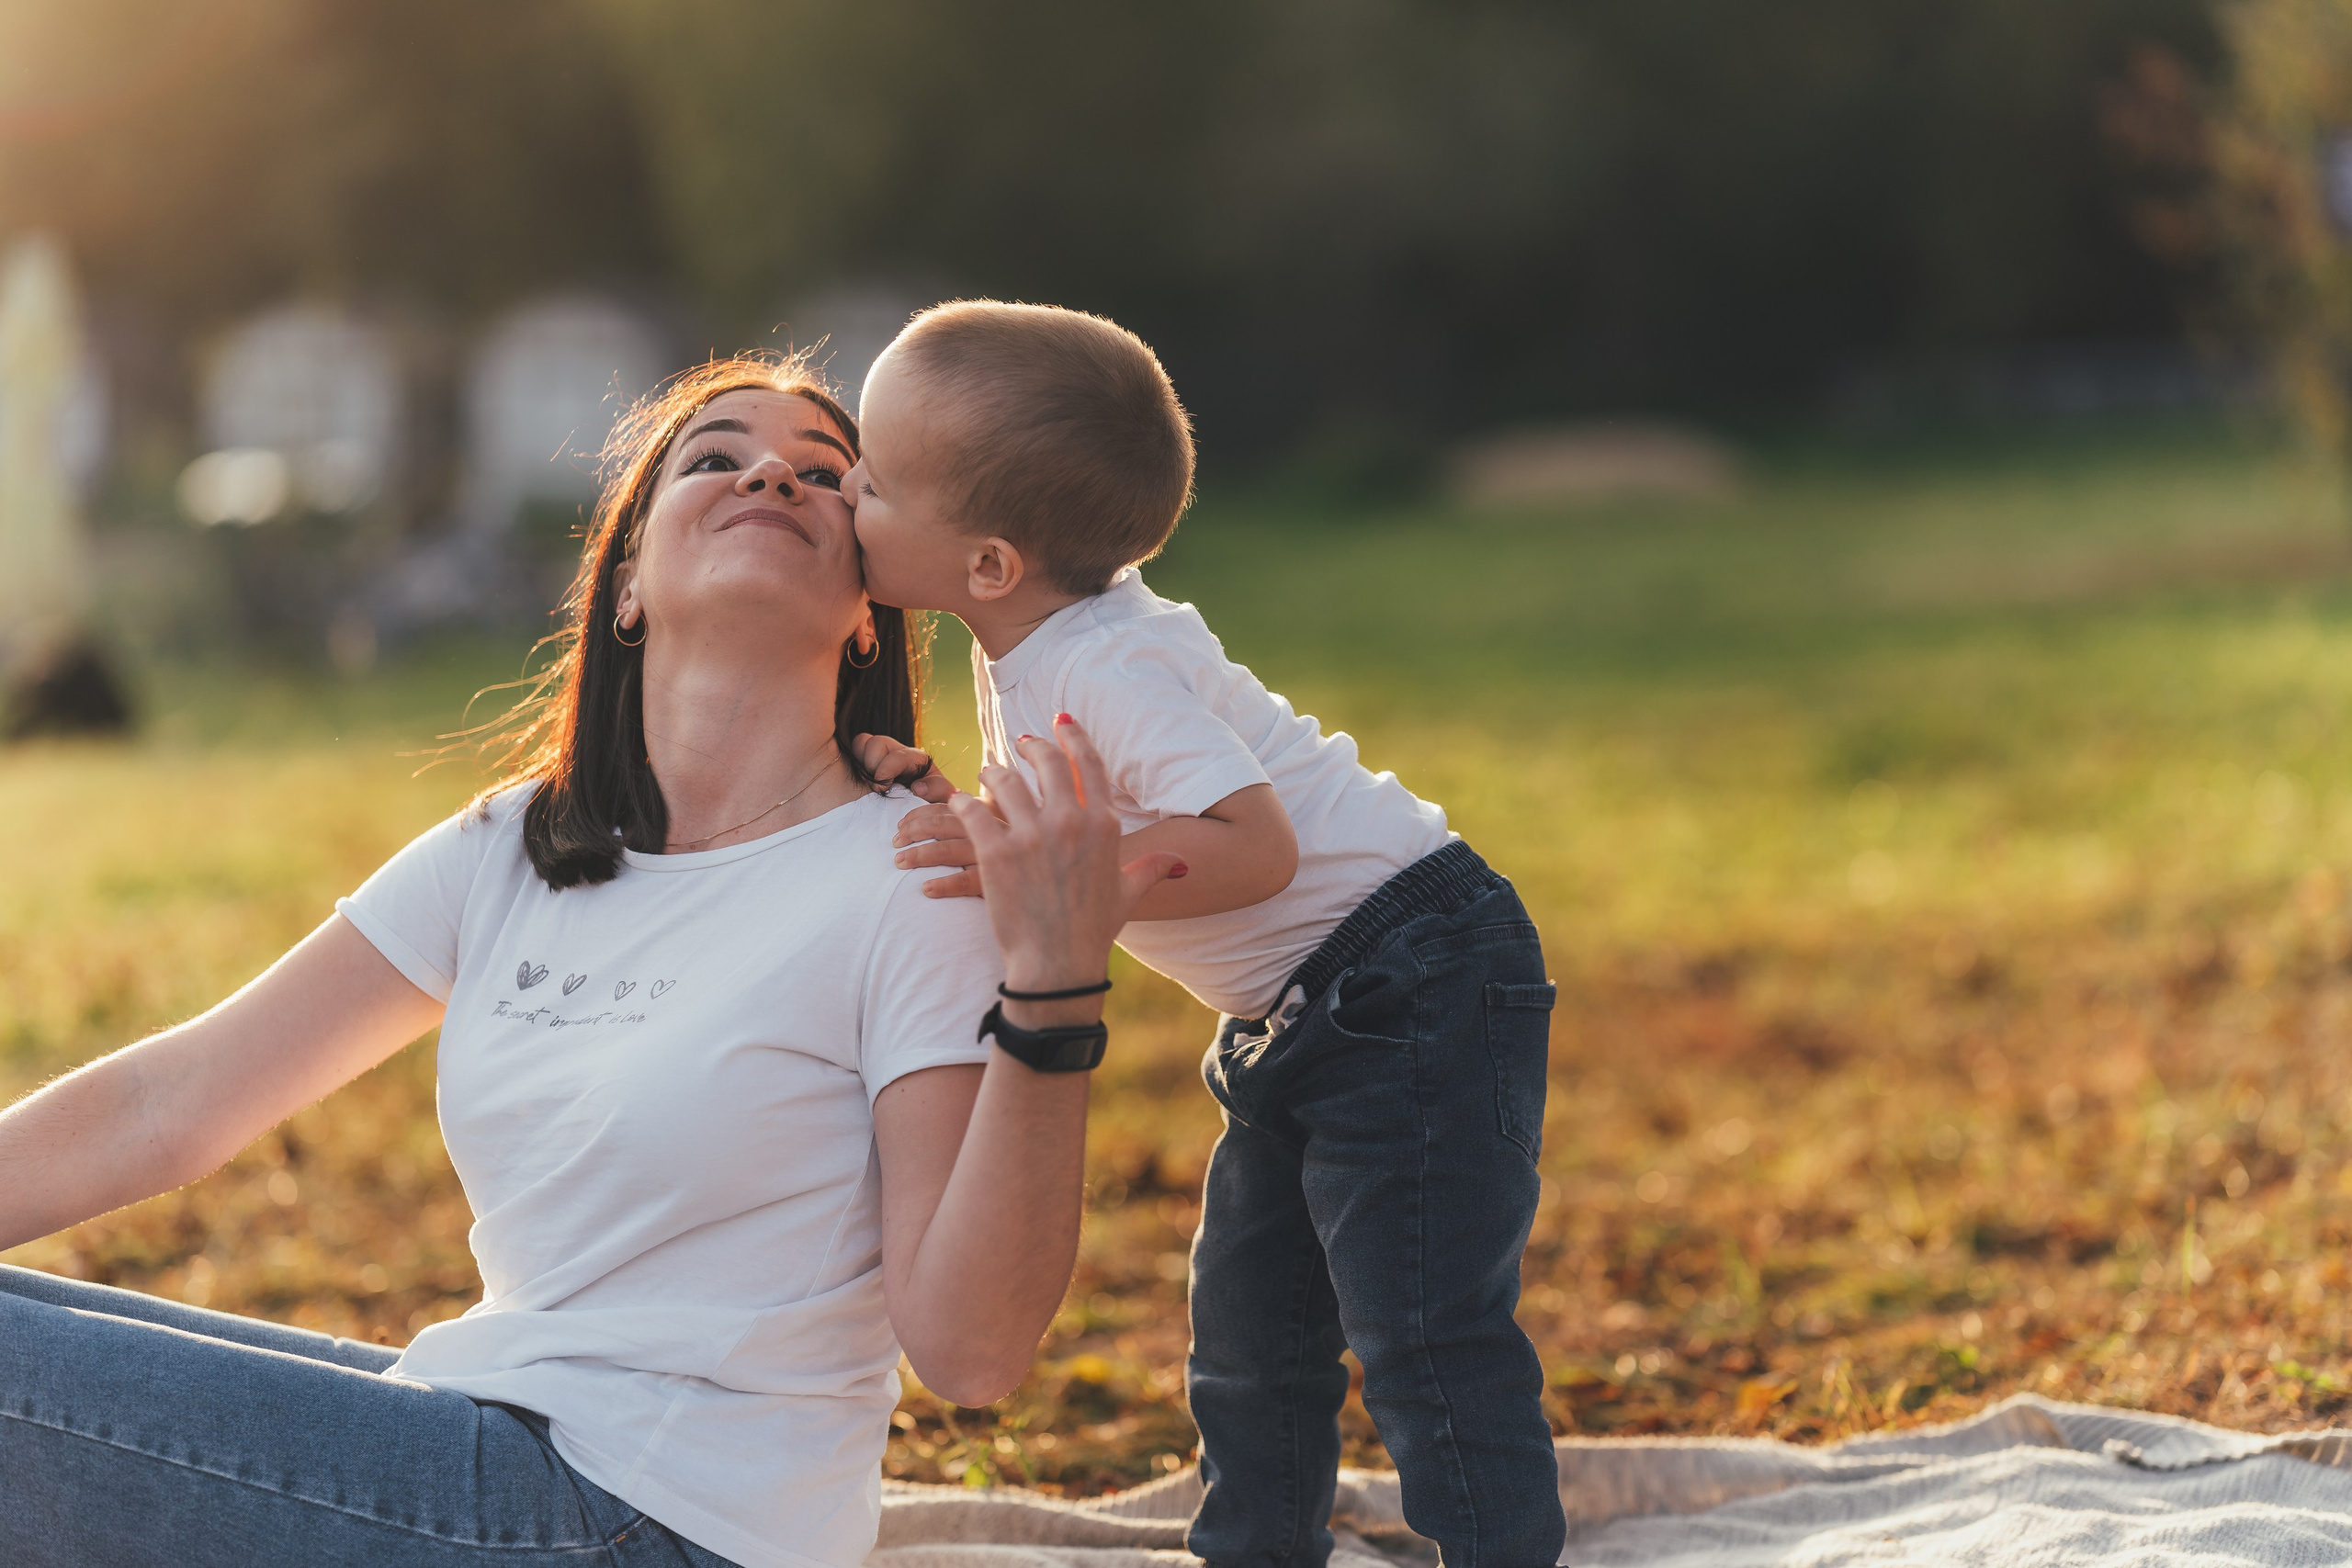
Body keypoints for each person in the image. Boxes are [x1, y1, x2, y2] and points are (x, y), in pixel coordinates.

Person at [0, 352, 1180, 1568]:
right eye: (715, 457)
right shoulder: (516, 847)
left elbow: (973, 1353)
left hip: (660, 1522)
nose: (771, 471)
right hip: (494, 1434)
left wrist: (1053, 986)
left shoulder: (911, 877)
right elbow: (168, 1102)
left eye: (828, 476)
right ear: (627, 581)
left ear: (867, 604)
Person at [846, 302, 1566, 1568]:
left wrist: (1068, 879)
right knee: (1248, 1333)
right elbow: (1090, 815)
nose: (848, 489)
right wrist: (961, 818)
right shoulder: (1032, 641)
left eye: (876, 480)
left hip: (1414, 972)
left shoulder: (1103, 665)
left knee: (1421, 1326)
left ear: (991, 565)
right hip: (1307, 1016)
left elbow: (1253, 843)